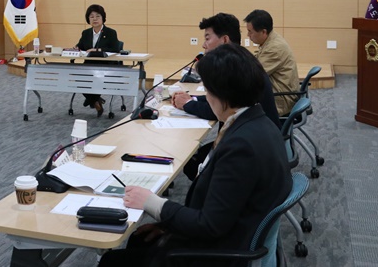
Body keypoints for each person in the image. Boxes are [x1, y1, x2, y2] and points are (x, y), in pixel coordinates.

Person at [99, 44, 292, 267]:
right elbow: (222, 207)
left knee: (112, 261)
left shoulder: (241, 147)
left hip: (219, 252)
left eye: (208, 91)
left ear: (223, 93)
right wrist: (170, 224)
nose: (207, 97)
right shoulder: (259, 124)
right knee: (140, 239)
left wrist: (153, 204)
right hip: (230, 233)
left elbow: (209, 225)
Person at [171, 13, 281, 179]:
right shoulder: (241, 60)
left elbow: (216, 110)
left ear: (224, 40)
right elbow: (222, 101)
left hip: (253, 149)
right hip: (262, 139)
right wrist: (192, 99)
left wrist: (187, 104)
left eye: (207, 38)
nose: (203, 45)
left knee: (192, 161)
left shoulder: (235, 69)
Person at [244, 9, 299, 116]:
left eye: (250, 31)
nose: (248, 35)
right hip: (279, 93)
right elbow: (256, 60)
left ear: (263, 32)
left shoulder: (274, 48)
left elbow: (252, 75)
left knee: (236, 102)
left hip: (280, 101)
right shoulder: (271, 39)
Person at [76, 4, 120, 117]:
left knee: (93, 78)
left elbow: (115, 49)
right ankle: (95, 100)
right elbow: (80, 46)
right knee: (78, 77)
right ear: (88, 19)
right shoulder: (86, 33)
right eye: (91, 17)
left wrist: (97, 49)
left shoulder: (111, 32)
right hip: (89, 66)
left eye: (97, 16)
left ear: (103, 18)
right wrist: (75, 49)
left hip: (106, 66)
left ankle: (92, 99)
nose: (94, 19)